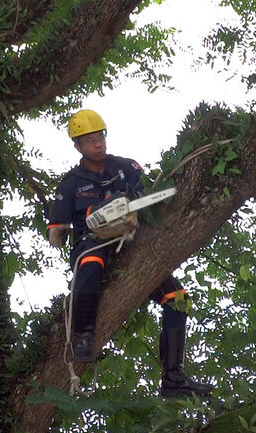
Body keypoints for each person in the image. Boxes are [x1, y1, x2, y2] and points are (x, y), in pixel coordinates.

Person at [46, 109, 213, 397]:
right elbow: (56, 234)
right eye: (90, 140)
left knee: (178, 300)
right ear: (78, 146)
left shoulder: (126, 167)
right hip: (92, 243)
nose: (98, 144)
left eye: (100, 137)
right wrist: (77, 222)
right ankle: (83, 336)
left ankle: (173, 378)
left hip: (132, 241)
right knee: (91, 263)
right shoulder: (71, 184)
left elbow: (147, 197)